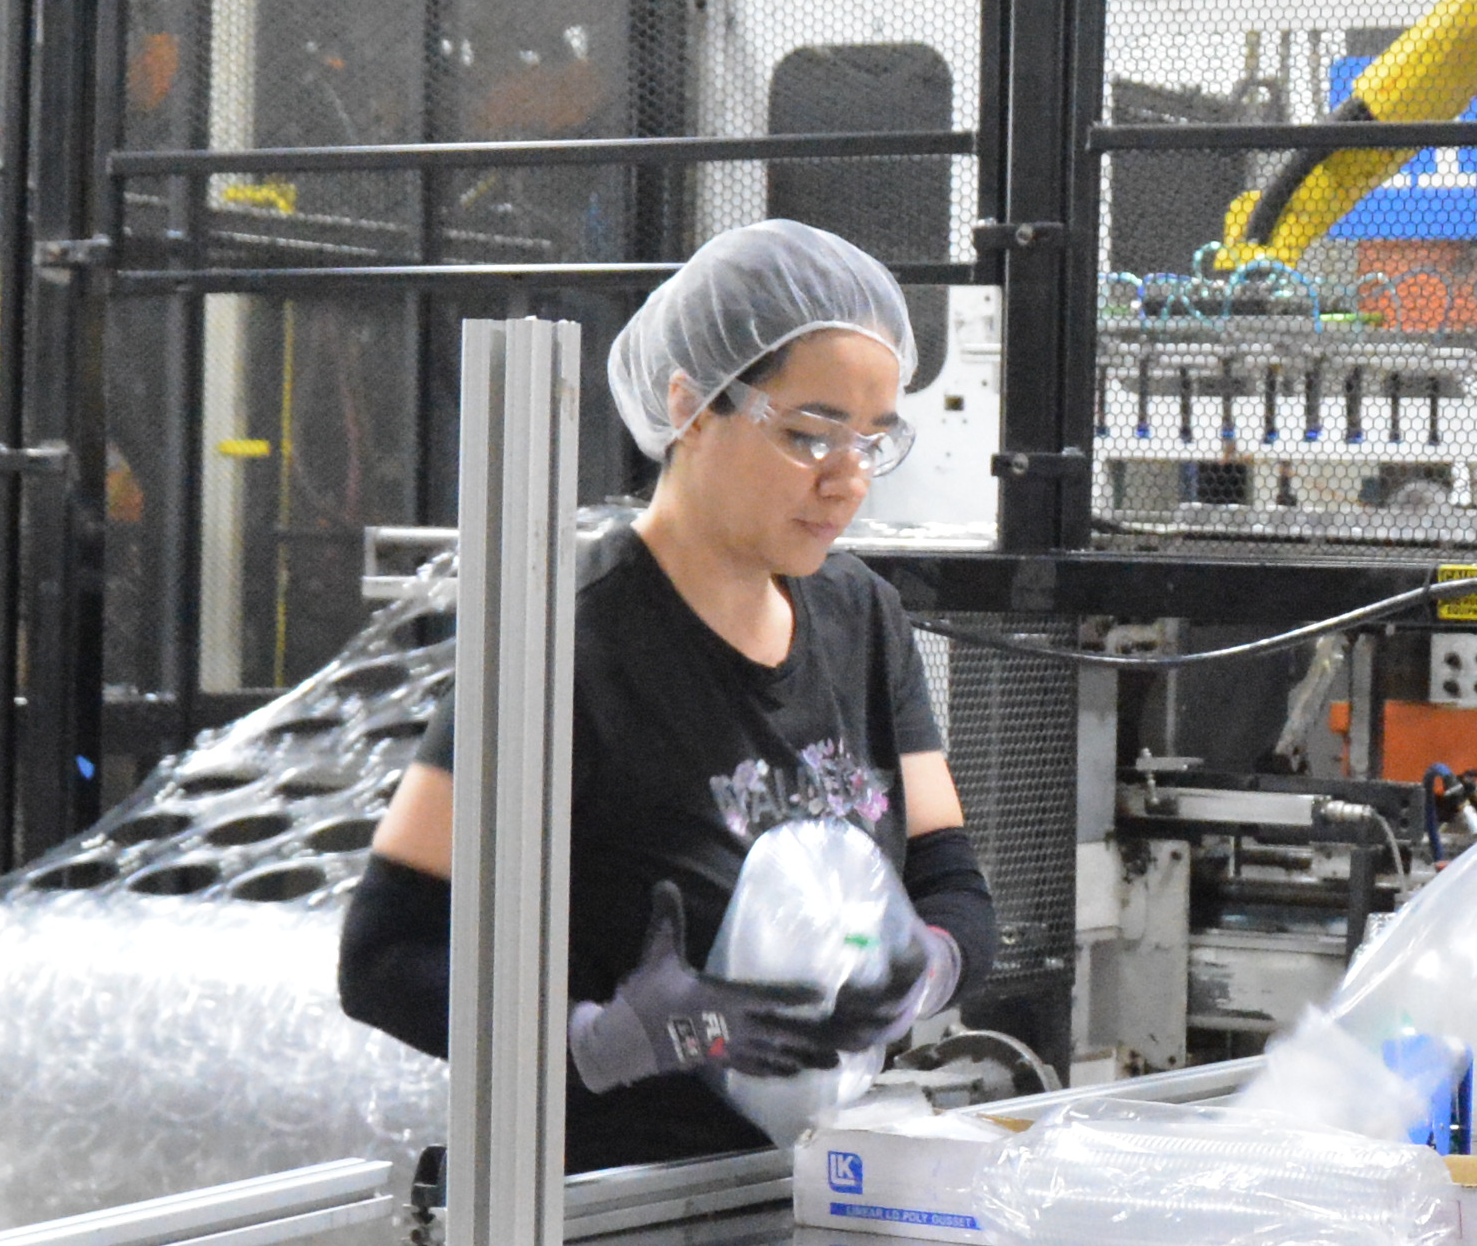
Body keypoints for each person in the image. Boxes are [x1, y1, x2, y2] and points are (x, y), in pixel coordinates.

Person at [339, 219, 1000, 1169]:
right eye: (810, 435)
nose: (846, 482)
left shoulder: (863, 618)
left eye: (872, 442)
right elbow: (383, 958)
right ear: (691, 406)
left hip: (790, 1190)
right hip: (582, 1220)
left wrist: (929, 969)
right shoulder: (564, 642)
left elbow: (950, 877)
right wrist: (604, 1039)